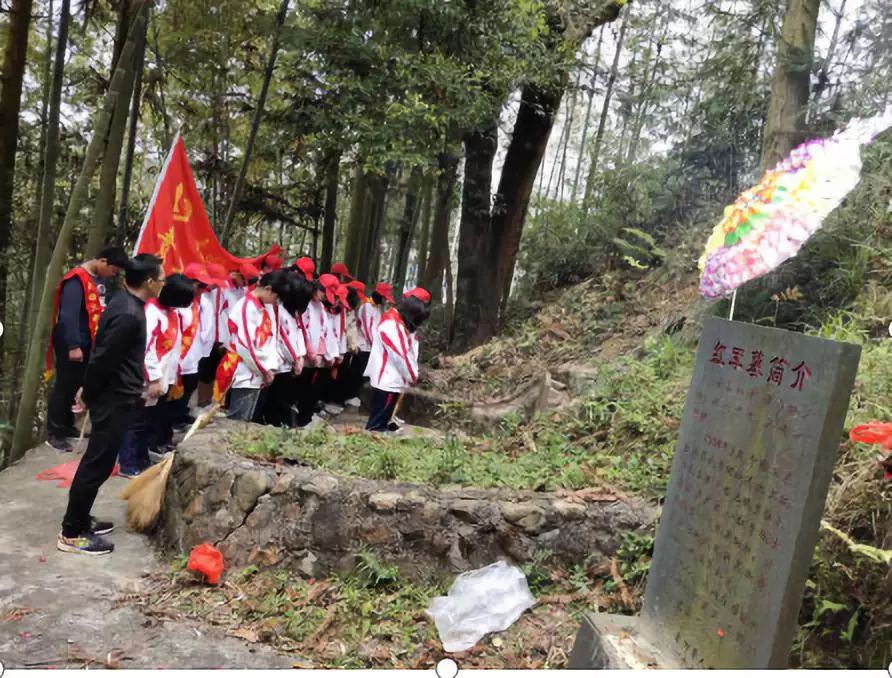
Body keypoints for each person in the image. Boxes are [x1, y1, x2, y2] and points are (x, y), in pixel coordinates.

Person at [57, 254, 164, 555]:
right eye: (162, 278)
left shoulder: (126, 303)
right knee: (96, 465)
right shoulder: (129, 314)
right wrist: (88, 394)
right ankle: (71, 533)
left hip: (119, 395)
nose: (165, 282)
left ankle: (81, 517)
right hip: (113, 398)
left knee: (100, 464)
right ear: (149, 282)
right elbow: (103, 359)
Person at [46, 246, 129, 451]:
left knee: (77, 384)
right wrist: (73, 345)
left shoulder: (98, 280)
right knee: (65, 386)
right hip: (72, 341)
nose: (114, 275)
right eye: (113, 270)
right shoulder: (75, 280)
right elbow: (69, 316)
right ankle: (55, 432)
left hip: (88, 340)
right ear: (102, 261)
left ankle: (67, 425)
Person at [117, 274, 194, 477]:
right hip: (147, 378)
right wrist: (153, 378)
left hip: (162, 376)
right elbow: (147, 349)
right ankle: (127, 462)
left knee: (147, 421)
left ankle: (141, 457)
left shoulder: (171, 312)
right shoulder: (152, 313)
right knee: (136, 421)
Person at [219, 271, 288, 422]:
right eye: (276, 297)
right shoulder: (246, 307)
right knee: (239, 420)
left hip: (258, 371)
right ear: (268, 289)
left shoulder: (262, 306)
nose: (276, 301)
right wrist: (263, 370)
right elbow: (246, 346)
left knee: (250, 419)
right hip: (246, 371)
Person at [364, 290, 430, 432]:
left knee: (383, 420)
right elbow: (400, 355)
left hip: (395, 380)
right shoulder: (391, 325)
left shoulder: (400, 323)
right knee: (376, 426)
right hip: (388, 381)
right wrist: (412, 374)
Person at [262, 272, 313, 427]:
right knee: (274, 401)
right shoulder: (278, 310)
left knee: (285, 398)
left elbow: (298, 333)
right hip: (279, 362)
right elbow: (282, 336)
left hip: (290, 363)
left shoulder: (293, 312)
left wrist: (301, 356)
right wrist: (295, 358)